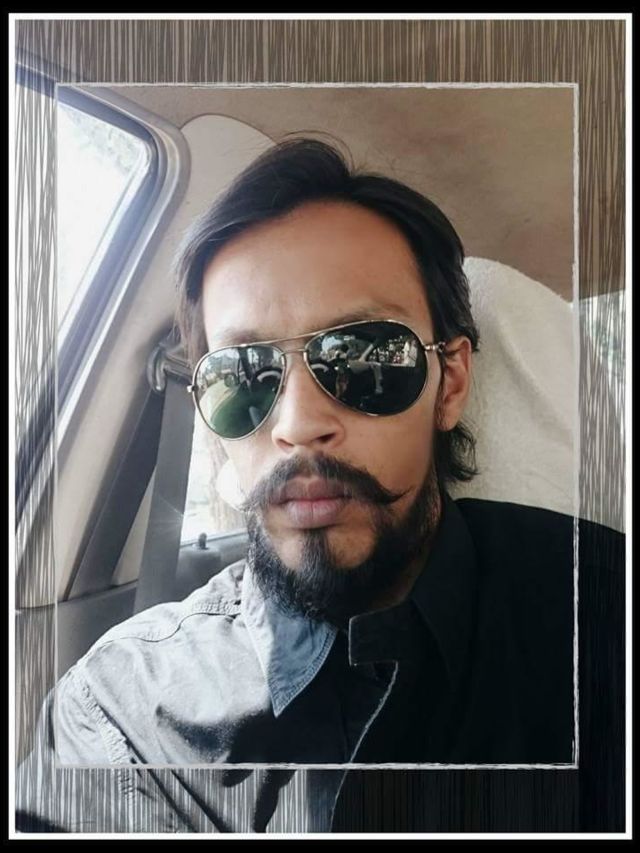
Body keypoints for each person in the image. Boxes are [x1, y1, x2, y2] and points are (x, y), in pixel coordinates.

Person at [17, 138, 582, 833]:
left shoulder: (598, 622)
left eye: (365, 357)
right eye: (242, 375)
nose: (298, 424)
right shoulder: (122, 720)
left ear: (451, 383)